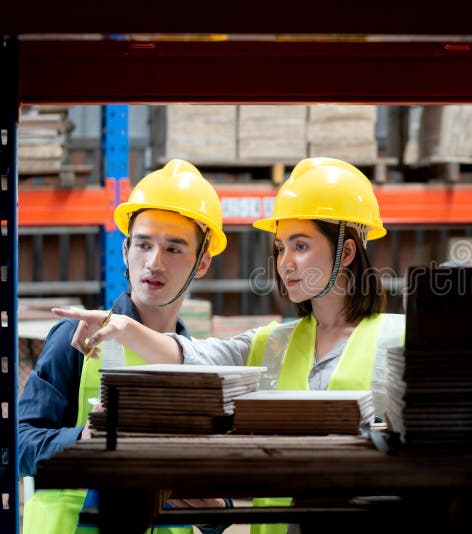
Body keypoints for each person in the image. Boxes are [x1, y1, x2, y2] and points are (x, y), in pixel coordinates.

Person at [54, 157, 406, 534]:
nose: (285, 262)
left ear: (347, 253)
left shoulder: (400, 340)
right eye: (280, 248)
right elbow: (191, 358)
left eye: (300, 246)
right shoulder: (271, 344)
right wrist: (121, 326)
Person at [20, 159, 227, 534]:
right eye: (144, 245)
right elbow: (18, 444)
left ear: (202, 263)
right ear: (125, 251)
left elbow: (215, 477)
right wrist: (84, 439)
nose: (154, 263)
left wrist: (216, 512)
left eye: (174, 249)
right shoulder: (76, 338)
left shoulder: (195, 366)